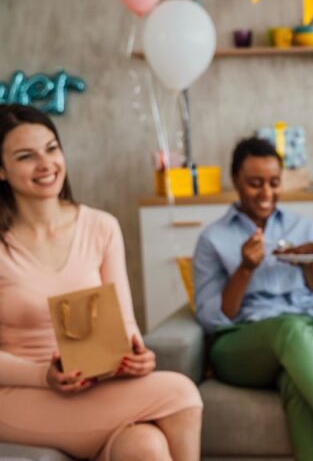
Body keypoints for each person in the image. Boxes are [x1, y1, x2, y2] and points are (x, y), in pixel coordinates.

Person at [0, 104, 202, 460]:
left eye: (52, 149)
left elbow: (123, 325)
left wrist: (136, 359)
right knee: (180, 393)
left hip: (94, 386)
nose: (46, 165)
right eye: (26, 156)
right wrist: (42, 375)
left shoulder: (101, 227)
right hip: (17, 391)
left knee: (146, 447)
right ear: (1, 170)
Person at [191, 137, 313, 461]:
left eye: (274, 183)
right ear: (235, 181)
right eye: (255, 184)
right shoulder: (213, 238)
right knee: (289, 329)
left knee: (298, 381)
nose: (266, 194)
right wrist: (245, 269)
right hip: (242, 345)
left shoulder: (304, 227)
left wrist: (311, 265)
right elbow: (212, 317)